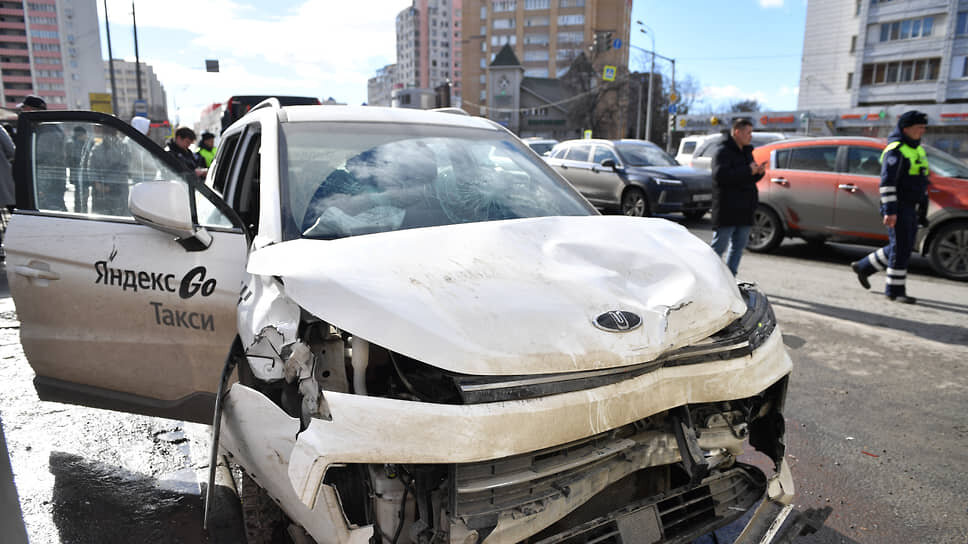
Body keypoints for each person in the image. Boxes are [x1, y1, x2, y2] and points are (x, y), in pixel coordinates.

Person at [850, 111, 930, 304]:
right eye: (919, 127)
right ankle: (894, 290)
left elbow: (921, 180)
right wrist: (890, 211)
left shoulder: (917, 149)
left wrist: (922, 209)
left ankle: (864, 266)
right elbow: (887, 183)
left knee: (903, 245)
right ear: (906, 129)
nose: (922, 131)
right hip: (898, 206)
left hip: (911, 206)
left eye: (924, 127)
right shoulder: (896, 150)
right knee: (901, 248)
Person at [709, 118, 765, 275]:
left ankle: (730, 279)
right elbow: (720, 176)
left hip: (745, 208)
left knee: (738, 248)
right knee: (718, 248)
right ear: (737, 132)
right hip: (728, 208)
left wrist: (758, 173)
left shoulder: (747, 152)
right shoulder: (722, 151)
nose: (750, 136)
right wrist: (748, 171)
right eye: (748, 132)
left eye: (751, 132)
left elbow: (748, 177)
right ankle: (709, 278)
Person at [19, 95, 67, 211]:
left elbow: (45, 162)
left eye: (23, 108)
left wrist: (40, 188)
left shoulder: (47, 132)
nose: (21, 111)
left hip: (47, 188)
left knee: (52, 212)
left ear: (30, 109)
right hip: (49, 186)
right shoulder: (45, 128)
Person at [66, 126, 90, 212]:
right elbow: (80, 161)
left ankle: (79, 213)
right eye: (85, 134)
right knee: (82, 199)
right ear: (81, 134)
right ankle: (81, 214)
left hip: (78, 176)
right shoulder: (79, 145)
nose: (86, 136)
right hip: (82, 176)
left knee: (79, 198)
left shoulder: (71, 144)